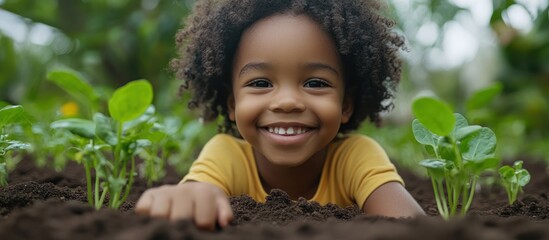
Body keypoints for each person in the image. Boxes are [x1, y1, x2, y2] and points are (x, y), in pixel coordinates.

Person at [136, 0, 425, 230]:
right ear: (233, 104)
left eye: (315, 83)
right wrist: (194, 197)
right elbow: (197, 196)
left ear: (345, 104)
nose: (287, 102)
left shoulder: (354, 158)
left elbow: (414, 226)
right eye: (261, 83)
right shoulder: (227, 156)